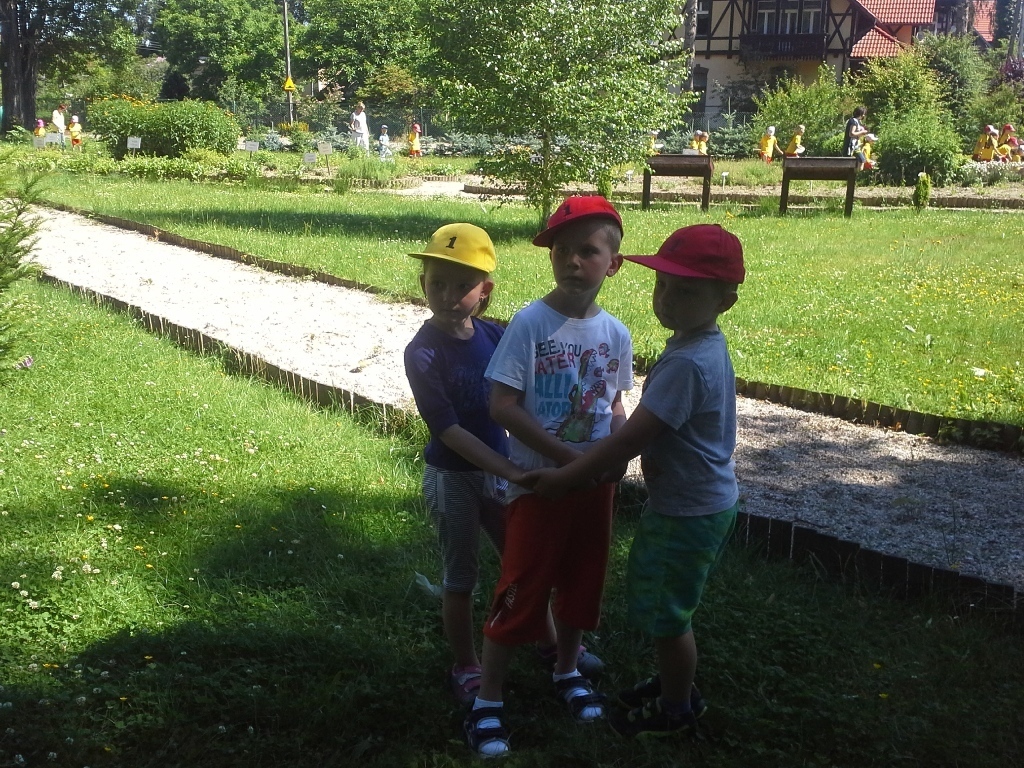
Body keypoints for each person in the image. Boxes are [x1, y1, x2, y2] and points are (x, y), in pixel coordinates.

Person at [524, 223, 745, 739]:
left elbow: (631, 439)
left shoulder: (688, 364)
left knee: (668, 614)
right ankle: (674, 683)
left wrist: (568, 476)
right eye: (662, 285)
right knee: (669, 602)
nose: (667, 299)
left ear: (725, 302)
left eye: (686, 291)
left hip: (687, 511)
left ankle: (676, 708)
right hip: (702, 501)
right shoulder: (699, 344)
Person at [463, 196, 633, 758]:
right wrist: (567, 459)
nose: (573, 261)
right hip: (538, 486)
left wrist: (618, 448)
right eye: (562, 250)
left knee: (584, 578)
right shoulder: (531, 324)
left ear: (613, 263)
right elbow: (503, 406)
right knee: (521, 585)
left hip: (594, 488)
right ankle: (488, 699)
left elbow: (613, 403)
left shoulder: (616, 333)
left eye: (588, 251)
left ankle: (566, 670)